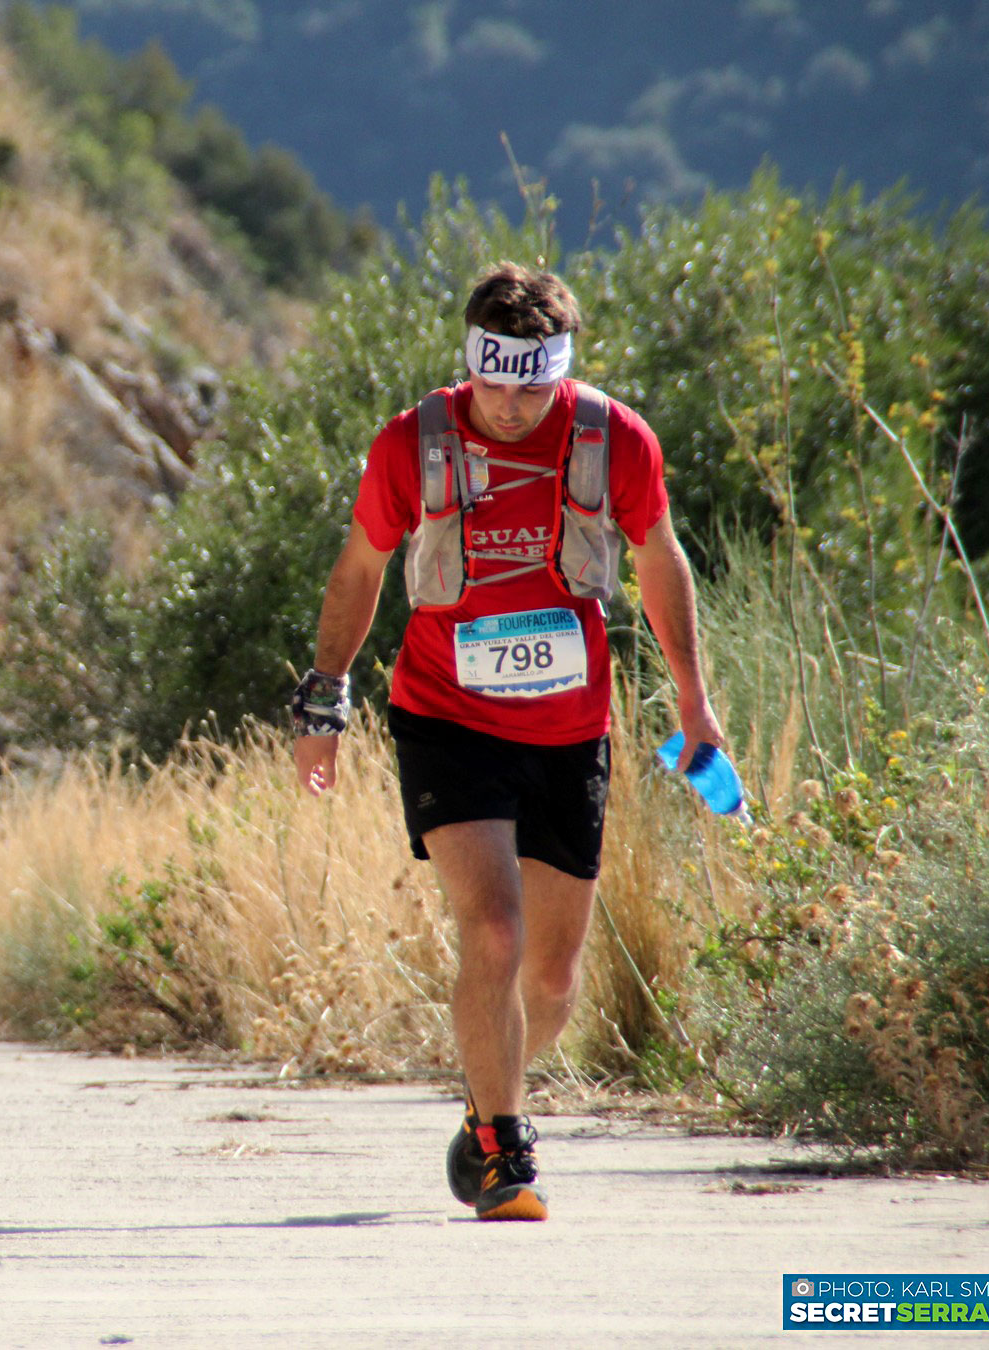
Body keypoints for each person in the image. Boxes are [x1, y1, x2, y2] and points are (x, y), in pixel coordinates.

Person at [290, 262, 727, 1222]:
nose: (513, 403)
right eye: (495, 381)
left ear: (559, 370)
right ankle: (501, 1151)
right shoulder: (414, 443)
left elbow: (658, 558)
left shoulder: (613, 439)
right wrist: (324, 702)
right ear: (471, 363)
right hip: (445, 716)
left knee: (554, 982)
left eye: (534, 386)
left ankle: (483, 1094)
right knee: (493, 930)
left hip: (570, 729)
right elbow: (359, 567)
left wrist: (693, 700)